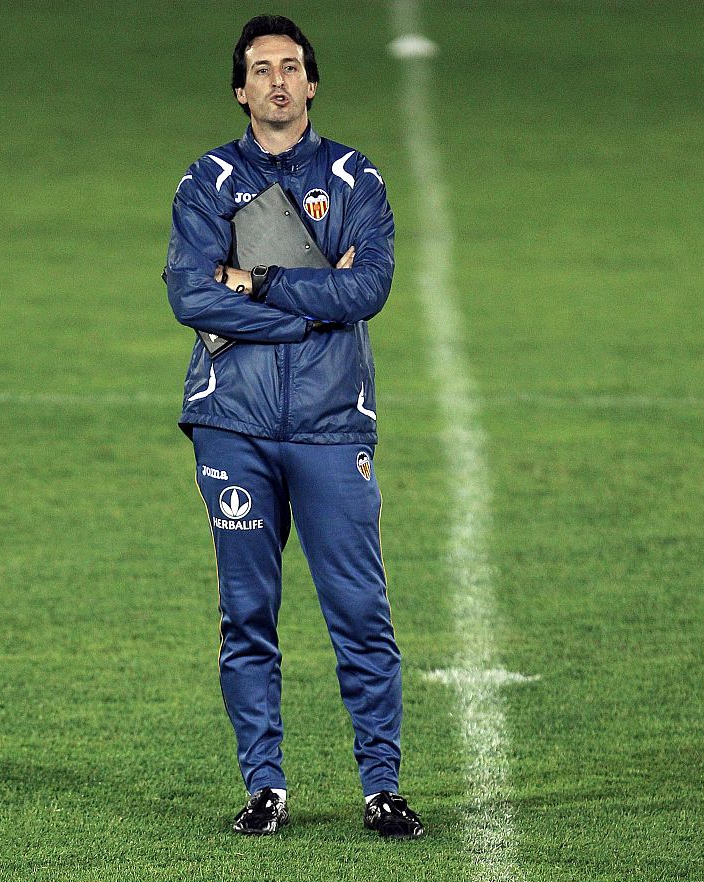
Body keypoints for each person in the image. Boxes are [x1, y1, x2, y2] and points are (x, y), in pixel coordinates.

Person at [164, 14, 424, 840]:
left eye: (290, 67)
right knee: (246, 612)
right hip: (230, 426)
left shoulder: (357, 181)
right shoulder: (206, 183)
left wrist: (256, 284)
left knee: (358, 610)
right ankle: (265, 787)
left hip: (329, 426)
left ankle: (381, 786)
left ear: (311, 84)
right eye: (260, 69)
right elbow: (188, 297)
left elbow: (366, 293)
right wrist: (306, 313)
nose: (277, 80)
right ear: (240, 91)